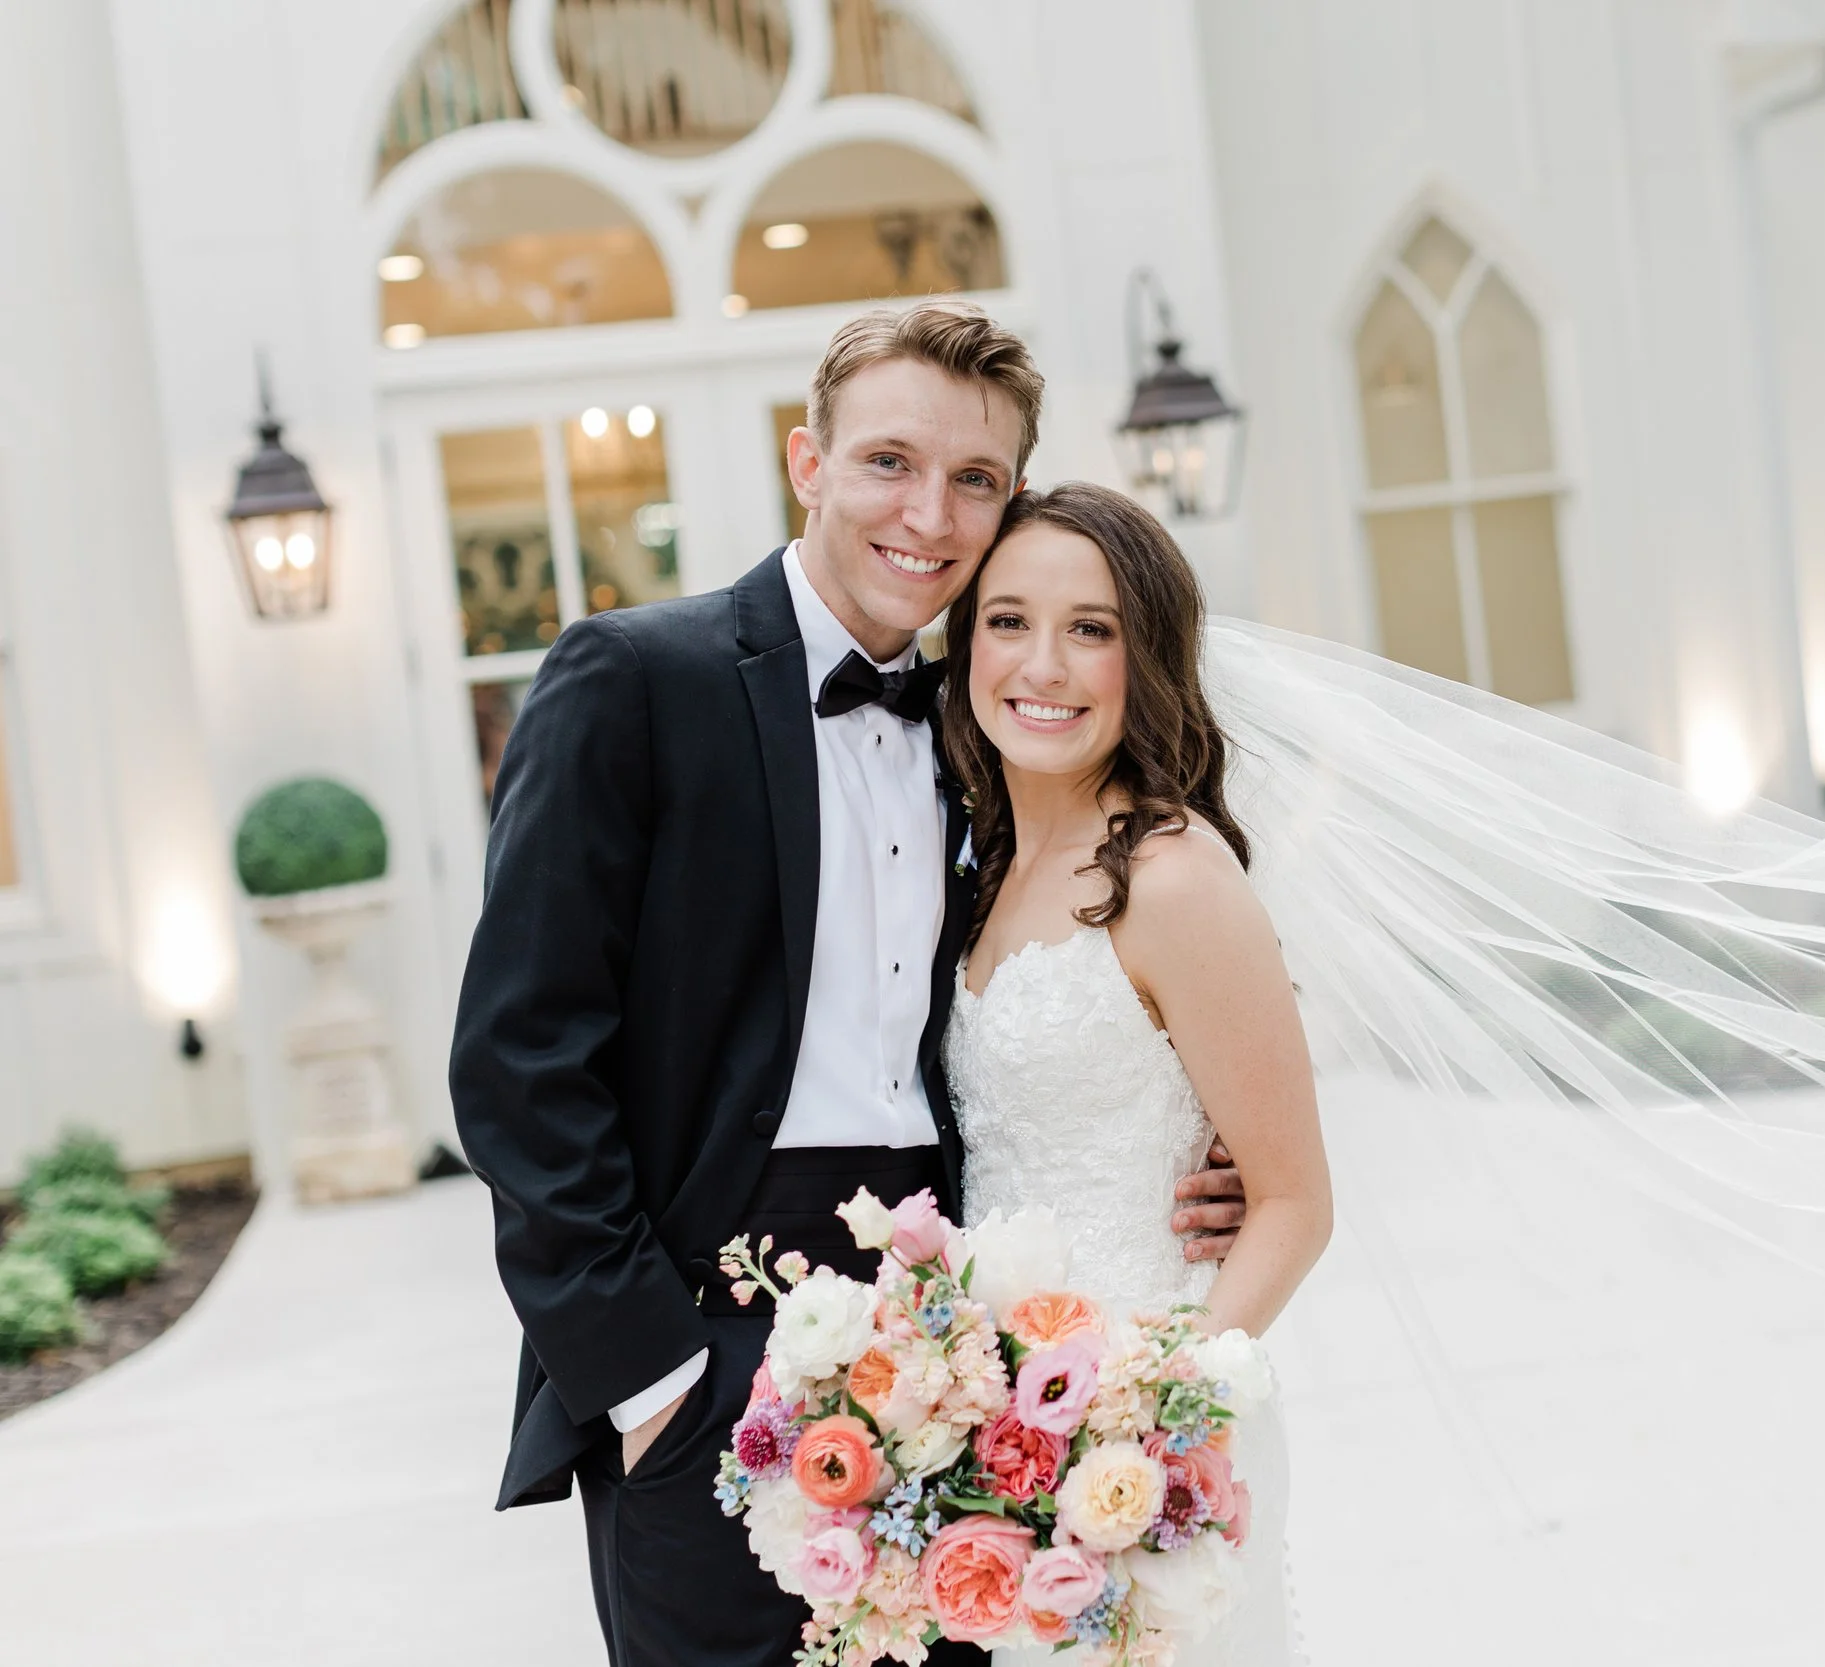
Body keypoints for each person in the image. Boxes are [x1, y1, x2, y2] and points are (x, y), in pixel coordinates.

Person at [447, 303, 1246, 1667]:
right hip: (700, 1331)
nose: (928, 513)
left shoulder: (991, 723)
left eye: (976, 480)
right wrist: (652, 1381)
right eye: (889, 461)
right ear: (807, 463)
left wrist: (1198, 1128)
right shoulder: (636, 679)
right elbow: (519, 1063)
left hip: (961, 1338)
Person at [941, 482, 1334, 1663]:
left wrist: (1152, 1432)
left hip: (1144, 1441)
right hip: (997, 1438)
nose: (1043, 664)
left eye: (1092, 628)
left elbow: (1294, 1202)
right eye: (1007, 620)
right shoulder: (990, 862)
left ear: (1144, 656)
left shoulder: (1170, 872)